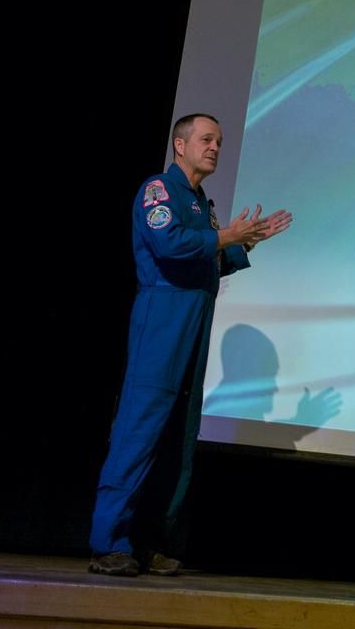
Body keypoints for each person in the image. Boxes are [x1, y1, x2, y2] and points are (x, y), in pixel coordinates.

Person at [89, 114, 291, 576]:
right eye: (206, 139)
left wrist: (242, 244)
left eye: (219, 141)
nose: (215, 147)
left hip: (195, 322)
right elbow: (171, 247)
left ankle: (149, 543)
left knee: (178, 441)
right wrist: (226, 237)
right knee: (138, 434)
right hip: (162, 323)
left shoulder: (202, 203)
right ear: (180, 145)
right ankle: (109, 543)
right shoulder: (159, 190)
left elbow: (204, 263)